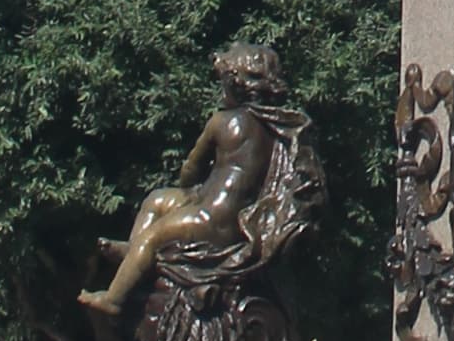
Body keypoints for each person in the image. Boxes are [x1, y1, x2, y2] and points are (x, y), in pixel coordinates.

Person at [79, 39, 320, 323]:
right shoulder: (279, 129)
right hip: (226, 210)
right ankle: (134, 253)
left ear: (233, 84)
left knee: (153, 236)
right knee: (158, 200)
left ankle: (113, 299)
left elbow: (190, 170)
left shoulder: (221, 121)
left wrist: (190, 181)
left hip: (212, 220)